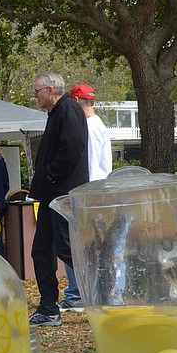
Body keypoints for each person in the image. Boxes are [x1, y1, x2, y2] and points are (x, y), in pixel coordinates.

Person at [28, 72, 88, 327]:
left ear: (50, 89)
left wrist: (51, 174)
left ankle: (110, 295)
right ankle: (48, 309)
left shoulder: (68, 111)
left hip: (62, 194)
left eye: (37, 92)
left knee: (67, 249)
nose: (35, 96)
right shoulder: (57, 113)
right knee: (41, 250)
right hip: (50, 195)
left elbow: (73, 147)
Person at [57, 84, 113, 313]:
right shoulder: (100, 125)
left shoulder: (86, 127)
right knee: (96, 244)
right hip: (100, 190)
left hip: (85, 191)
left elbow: (86, 163)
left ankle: (77, 293)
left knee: (76, 242)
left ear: (78, 102)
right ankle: (97, 290)